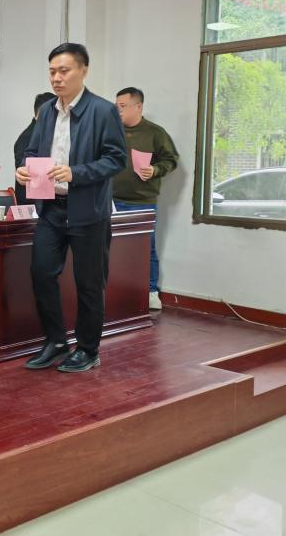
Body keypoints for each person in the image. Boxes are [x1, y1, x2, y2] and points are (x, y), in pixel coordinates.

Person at [16, 43, 127, 373]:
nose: (56, 78)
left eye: (64, 71)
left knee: (89, 283)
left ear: (83, 70)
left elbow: (116, 159)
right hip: (51, 209)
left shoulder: (102, 111)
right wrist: (24, 168)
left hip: (88, 211)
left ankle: (89, 349)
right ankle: (56, 341)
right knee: (41, 273)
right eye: (52, 72)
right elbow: (33, 150)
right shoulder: (47, 110)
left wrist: (76, 173)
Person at [112, 87, 179, 311]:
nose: (118, 111)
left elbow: (171, 160)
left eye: (122, 106)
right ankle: (115, 291)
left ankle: (150, 291)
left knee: (145, 248)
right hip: (110, 201)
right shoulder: (111, 132)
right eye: (116, 106)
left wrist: (155, 169)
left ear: (138, 107)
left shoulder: (155, 133)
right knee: (111, 249)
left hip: (141, 202)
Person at [14, 92, 56, 206]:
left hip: (40, 201)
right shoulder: (28, 137)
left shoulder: (41, 132)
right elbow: (28, 173)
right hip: (31, 203)